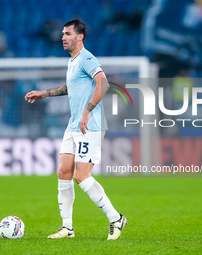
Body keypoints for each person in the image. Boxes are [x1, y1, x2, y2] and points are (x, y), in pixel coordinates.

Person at [25, 20, 127, 240]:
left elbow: (104, 83)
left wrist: (88, 111)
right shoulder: (72, 62)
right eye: (62, 33)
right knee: (64, 172)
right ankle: (67, 228)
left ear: (80, 36)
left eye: (68, 33)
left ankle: (116, 218)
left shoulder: (87, 58)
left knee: (82, 176)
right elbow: (70, 88)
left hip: (89, 125)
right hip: (74, 125)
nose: (63, 37)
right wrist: (45, 93)